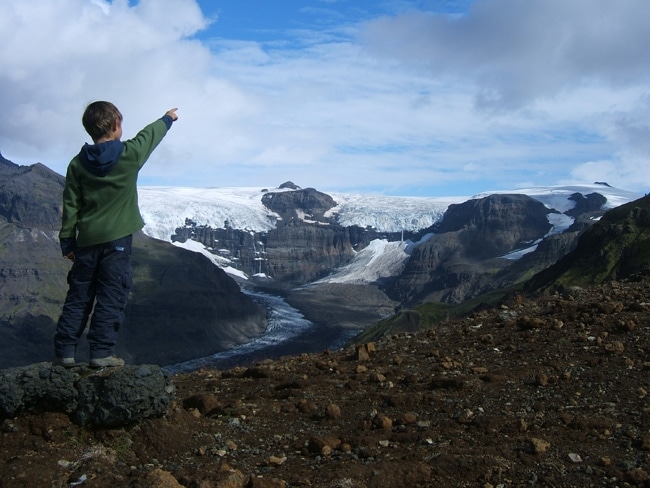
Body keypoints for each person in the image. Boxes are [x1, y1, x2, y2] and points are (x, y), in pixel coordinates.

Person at [53, 101, 178, 368]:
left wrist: (67, 241)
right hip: (118, 243)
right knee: (111, 295)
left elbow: (70, 205)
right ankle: (100, 353)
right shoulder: (129, 154)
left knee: (79, 297)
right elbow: (149, 136)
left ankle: (64, 352)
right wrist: (167, 118)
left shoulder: (77, 164)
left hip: (86, 243)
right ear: (116, 125)